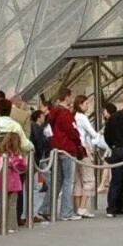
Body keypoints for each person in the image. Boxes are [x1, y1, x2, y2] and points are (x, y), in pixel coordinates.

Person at [47, 90, 82, 222]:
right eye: (71, 97)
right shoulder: (65, 114)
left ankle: (46, 208)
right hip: (67, 148)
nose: (72, 99)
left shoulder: (53, 113)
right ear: (66, 97)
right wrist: (78, 142)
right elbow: (72, 131)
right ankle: (66, 211)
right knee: (68, 181)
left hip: (57, 148)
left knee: (58, 181)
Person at [0, 130, 28, 232]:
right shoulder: (17, 155)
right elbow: (23, 167)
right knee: (12, 205)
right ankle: (11, 226)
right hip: (13, 183)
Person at [73, 94, 107, 217]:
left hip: (76, 151)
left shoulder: (74, 117)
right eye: (86, 103)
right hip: (84, 150)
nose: (88, 106)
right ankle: (82, 207)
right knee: (89, 179)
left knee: (77, 180)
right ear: (80, 105)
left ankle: (77, 207)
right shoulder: (82, 117)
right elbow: (93, 134)